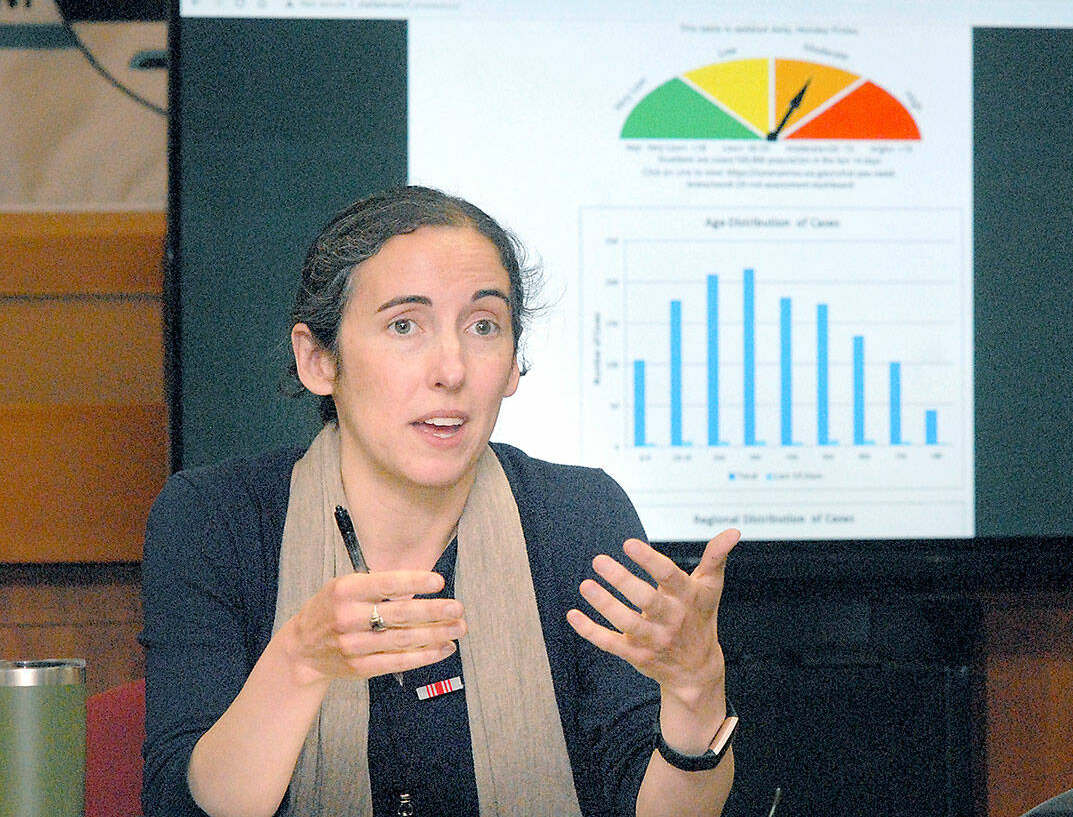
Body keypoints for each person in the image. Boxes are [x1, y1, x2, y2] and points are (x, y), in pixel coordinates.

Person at [140, 185, 740, 817]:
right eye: (405, 325)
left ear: (513, 367)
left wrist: (698, 692)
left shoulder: (578, 514)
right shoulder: (214, 518)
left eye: (484, 327)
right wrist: (297, 662)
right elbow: (185, 804)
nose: (451, 368)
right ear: (318, 359)